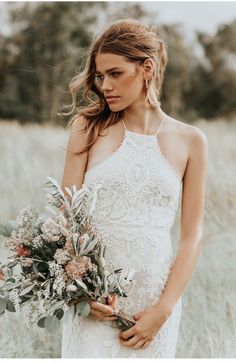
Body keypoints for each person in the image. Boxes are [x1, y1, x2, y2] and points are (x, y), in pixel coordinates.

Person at [60, 18, 208, 358]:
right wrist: (82, 293)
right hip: (95, 304)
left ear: (147, 68)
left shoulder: (191, 141)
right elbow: (67, 219)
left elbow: (191, 238)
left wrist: (163, 311)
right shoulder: (87, 128)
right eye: (100, 76)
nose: (105, 85)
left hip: (155, 307)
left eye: (115, 73)